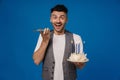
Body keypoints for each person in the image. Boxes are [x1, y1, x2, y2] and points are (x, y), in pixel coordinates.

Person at [33, 4, 86, 80]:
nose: (58, 21)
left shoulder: (76, 38)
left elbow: (80, 66)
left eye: (62, 17)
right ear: (50, 19)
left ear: (66, 20)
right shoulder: (43, 36)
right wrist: (45, 41)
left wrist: (78, 62)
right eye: (55, 17)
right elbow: (36, 61)